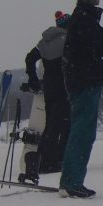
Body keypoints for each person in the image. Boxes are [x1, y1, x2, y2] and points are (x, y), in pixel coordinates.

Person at [59, 0, 103, 198]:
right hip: (84, 80)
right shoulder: (84, 19)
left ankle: (71, 180)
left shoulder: (83, 17)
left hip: (82, 79)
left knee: (81, 129)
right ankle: (72, 181)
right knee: (83, 131)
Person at [24, 11, 71, 173]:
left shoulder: (45, 41)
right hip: (64, 87)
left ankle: (44, 159)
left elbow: (30, 58)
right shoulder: (67, 40)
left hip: (50, 87)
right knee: (64, 125)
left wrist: (33, 79)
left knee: (51, 124)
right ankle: (53, 160)